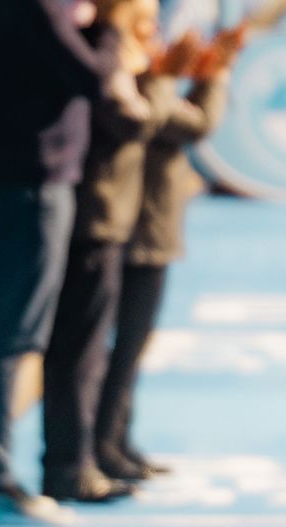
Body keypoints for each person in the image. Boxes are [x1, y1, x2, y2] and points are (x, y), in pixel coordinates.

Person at [0, 0, 132, 525]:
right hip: (32, 182)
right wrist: (106, 27)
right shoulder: (42, 7)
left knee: (6, 330)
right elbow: (96, 79)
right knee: (10, 333)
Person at [93, 22, 241, 480]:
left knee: (132, 348)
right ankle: (101, 446)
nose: (152, 32)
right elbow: (194, 123)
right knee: (116, 349)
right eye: (141, 23)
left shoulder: (145, 76)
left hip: (149, 228)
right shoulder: (131, 78)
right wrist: (211, 74)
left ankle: (116, 441)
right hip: (135, 230)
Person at [39, 0, 170, 503]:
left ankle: (92, 455)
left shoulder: (118, 60)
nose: (154, 30)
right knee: (79, 352)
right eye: (143, 19)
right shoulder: (102, 56)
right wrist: (155, 74)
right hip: (95, 220)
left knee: (94, 352)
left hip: (109, 220)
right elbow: (136, 122)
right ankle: (72, 465)